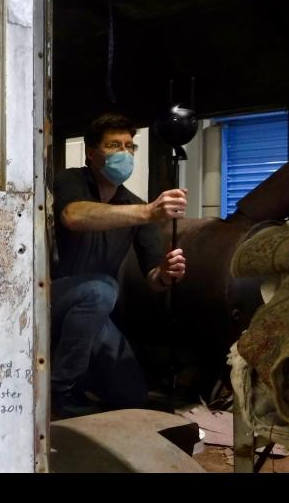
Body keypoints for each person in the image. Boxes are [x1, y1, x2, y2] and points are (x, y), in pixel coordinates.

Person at [51, 113, 187, 418]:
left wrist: (166, 273)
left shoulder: (136, 206)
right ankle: (60, 388)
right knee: (102, 288)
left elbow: (153, 277)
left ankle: (81, 374)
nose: (124, 154)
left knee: (132, 396)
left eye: (130, 146)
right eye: (114, 145)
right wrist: (148, 212)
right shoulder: (70, 180)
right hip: (49, 302)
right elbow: (74, 216)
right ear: (91, 152)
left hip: (93, 312)